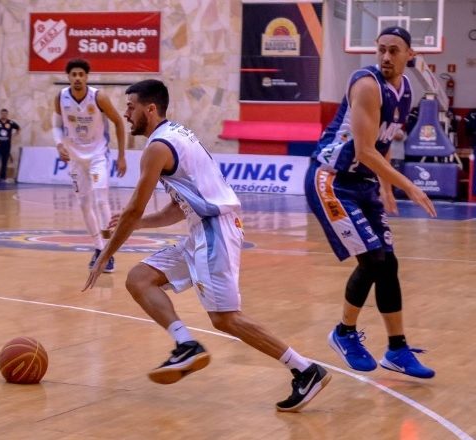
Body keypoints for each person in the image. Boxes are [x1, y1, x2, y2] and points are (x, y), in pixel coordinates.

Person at [84, 79, 330, 412]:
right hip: (204, 229)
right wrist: (140, 224)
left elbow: (132, 209)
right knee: (140, 279)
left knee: (225, 318)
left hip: (216, 230)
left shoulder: (158, 147)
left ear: (150, 108)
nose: (126, 115)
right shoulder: (176, 135)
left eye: (130, 107)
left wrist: (105, 254)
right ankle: (186, 344)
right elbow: (177, 207)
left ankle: (305, 369)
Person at [306, 27, 437, 379]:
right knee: (373, 259)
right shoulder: (366, 84)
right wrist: (409, 185)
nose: (385, 57)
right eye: (381, 50)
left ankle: (397, 349)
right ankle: (343, 333)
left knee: (388, 264)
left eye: (394, 51)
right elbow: (364, 150)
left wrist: (386, 186)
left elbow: (383, 142)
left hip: (362, 182)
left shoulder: (406, 89)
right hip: (331, 179)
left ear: (410, 56)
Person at [53, 58, 127, 272]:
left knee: (100, 199)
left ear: (87, 77)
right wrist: (59, 145)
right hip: (76, 159)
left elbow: (119, 122)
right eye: (73, 74)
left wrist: (121, 156)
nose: (77, 78)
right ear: (68, 77)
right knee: (84, 204)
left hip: (98, 157)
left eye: (81, 75)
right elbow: (57, 126)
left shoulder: (98, 97)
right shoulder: (61, 97)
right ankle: (98, 248)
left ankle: (108, 252)